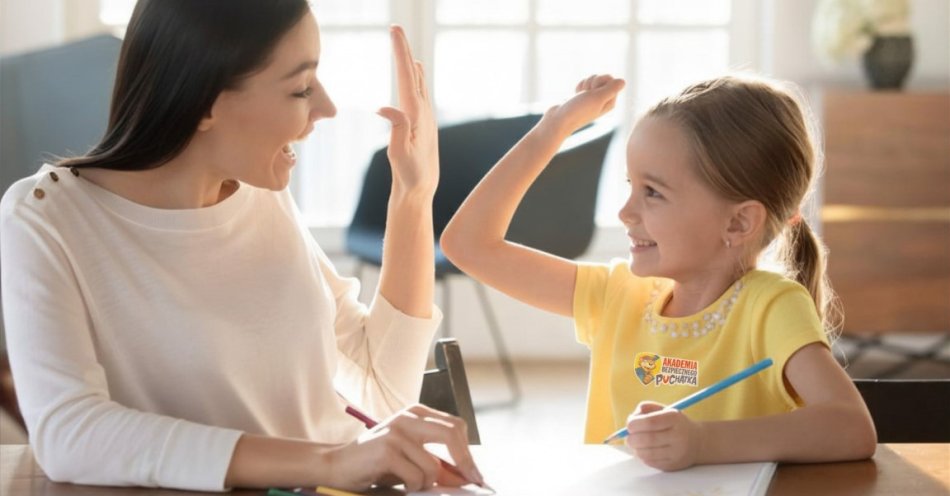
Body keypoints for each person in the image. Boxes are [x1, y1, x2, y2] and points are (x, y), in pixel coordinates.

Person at [0, 0, 483, 492]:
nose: (328, 108)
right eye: (301, 88)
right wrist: (328, 462)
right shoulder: (47, 220)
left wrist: (414, 197)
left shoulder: (261, 193)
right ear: (205, 100)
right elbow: (68, 434)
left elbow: (383, 388)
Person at [440, 73, 877, 470]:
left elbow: (851, 428)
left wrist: (702, 442)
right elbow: (467, 245)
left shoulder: (772, 306)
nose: (626, 211)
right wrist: (554, 128)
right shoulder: (617, 293)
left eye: (653, 193)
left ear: (738, 223)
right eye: (631, 186)